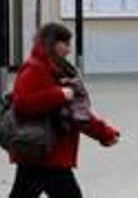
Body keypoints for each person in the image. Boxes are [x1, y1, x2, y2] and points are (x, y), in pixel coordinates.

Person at [8, 23, 120, 198]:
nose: (69, 50)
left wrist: (104, 133)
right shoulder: (35, 68)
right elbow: (22, 104)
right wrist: (59, 94)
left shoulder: (59, 70)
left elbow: (77, 113)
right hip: (44, 151)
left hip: (45, 151)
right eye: (66, 44)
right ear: (53, 43)